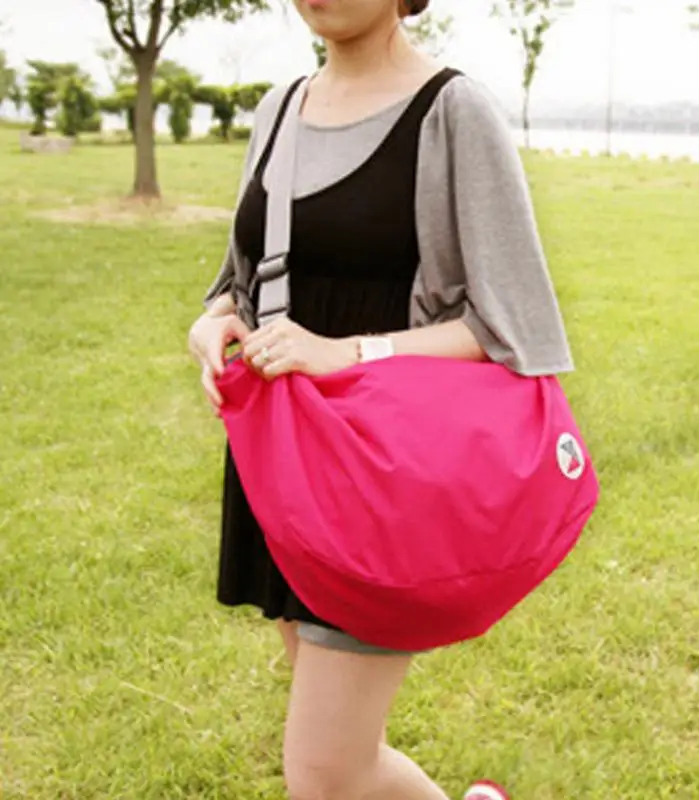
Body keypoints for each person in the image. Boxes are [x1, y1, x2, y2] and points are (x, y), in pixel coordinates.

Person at [188, 1, 575, 797]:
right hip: (286, 461)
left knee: (325, 771)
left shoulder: (452, 110)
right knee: (346, 759)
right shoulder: (280, 108)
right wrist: (216, 316)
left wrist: (346, 352)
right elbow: (246, 274)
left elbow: (514, 327)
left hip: (378, 469)